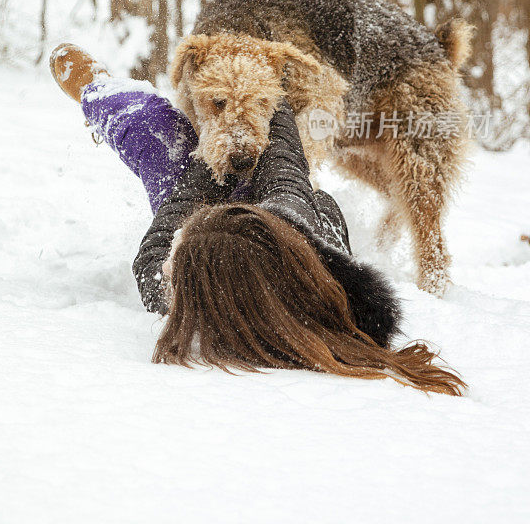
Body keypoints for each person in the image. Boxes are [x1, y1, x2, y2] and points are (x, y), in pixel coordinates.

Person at [49, 43, 465, 396]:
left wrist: (210, 163)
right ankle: (249, 104)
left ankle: (100, 89)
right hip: (297, 228)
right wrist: (269, 98)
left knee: (156, 134)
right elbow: (285, 169)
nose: (170, 253)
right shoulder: (300, 231)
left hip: (244, 228)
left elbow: (156, 251)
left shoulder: (175, 290)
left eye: (179, 249)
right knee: (282, 164)